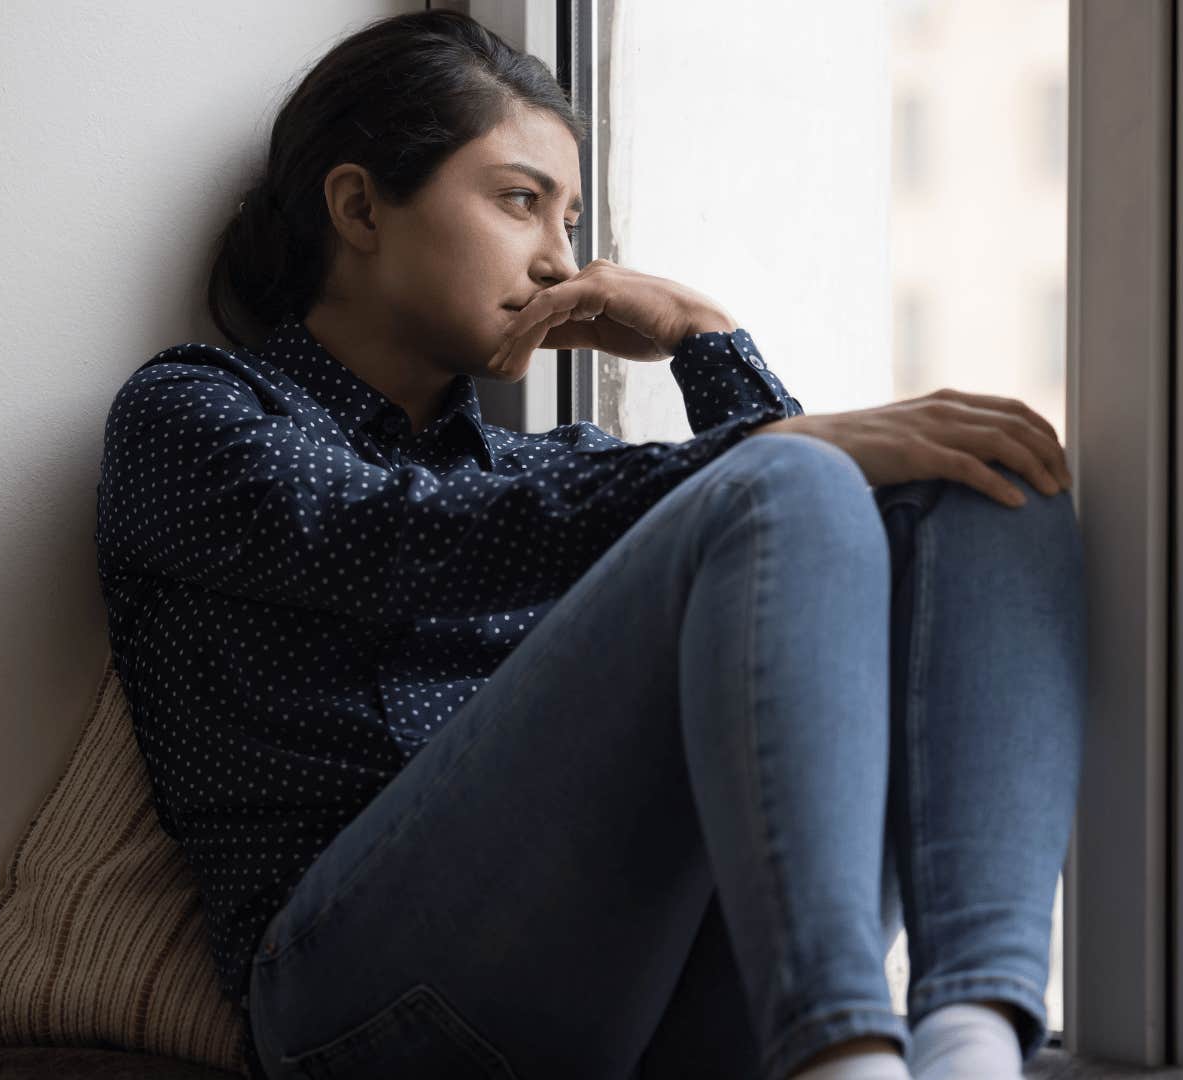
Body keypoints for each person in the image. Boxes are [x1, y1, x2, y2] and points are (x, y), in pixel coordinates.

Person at [93, 10, 1082, 1080]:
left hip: (627, 984)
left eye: (570, 221)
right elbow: (388, 539)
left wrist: (703, 336)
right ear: (359, 206)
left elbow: (811, 571)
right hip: (359, 998)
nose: (561, 261)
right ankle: (840, 1043)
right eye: (521, 201)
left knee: (977, 481)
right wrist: (763, 450)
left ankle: (972, 1039)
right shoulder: (196, 414)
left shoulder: (551, 465)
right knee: (780, 477)